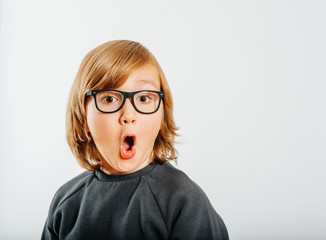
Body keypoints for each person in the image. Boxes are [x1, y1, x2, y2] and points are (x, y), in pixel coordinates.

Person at [41, 40, 229, 240]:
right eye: (110, 99)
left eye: (143, 98)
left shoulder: (182, 200)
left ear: (162, 119)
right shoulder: (66, 202)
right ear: (83, 120)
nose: (128, 115)